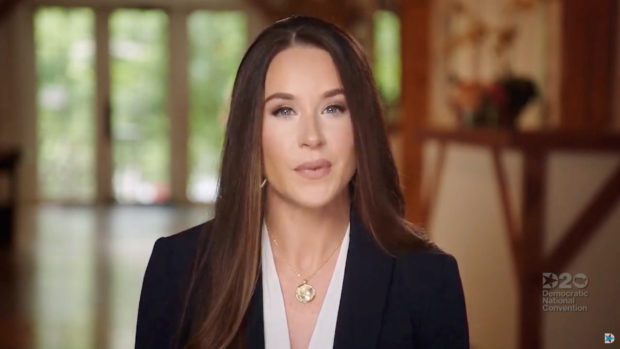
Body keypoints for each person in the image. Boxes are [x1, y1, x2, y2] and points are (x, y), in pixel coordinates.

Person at [135, 15, 469, 349]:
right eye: (284, 111)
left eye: (333, 108)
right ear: (251, 131)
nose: (312, 137)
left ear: (361, 125)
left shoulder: (428, 278)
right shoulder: (178, 268)